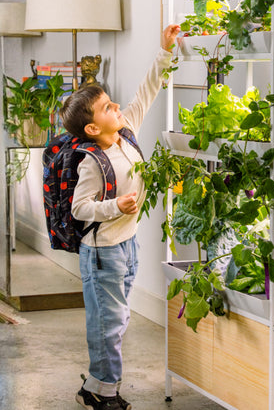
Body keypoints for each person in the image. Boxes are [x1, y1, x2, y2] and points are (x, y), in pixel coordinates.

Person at [59, 24, 180, 410]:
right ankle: (102, 392)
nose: (117, 108)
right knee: (108, 322)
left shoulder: (126, 133)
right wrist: (115, 206)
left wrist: (164, 51)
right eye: (108, 107)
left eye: (113, 103)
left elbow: (147, 91)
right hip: (102, 252)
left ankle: (95, 382)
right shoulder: (93, 161)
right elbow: (80, 209)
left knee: (117, 318)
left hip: (126, 244)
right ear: (93, 128)